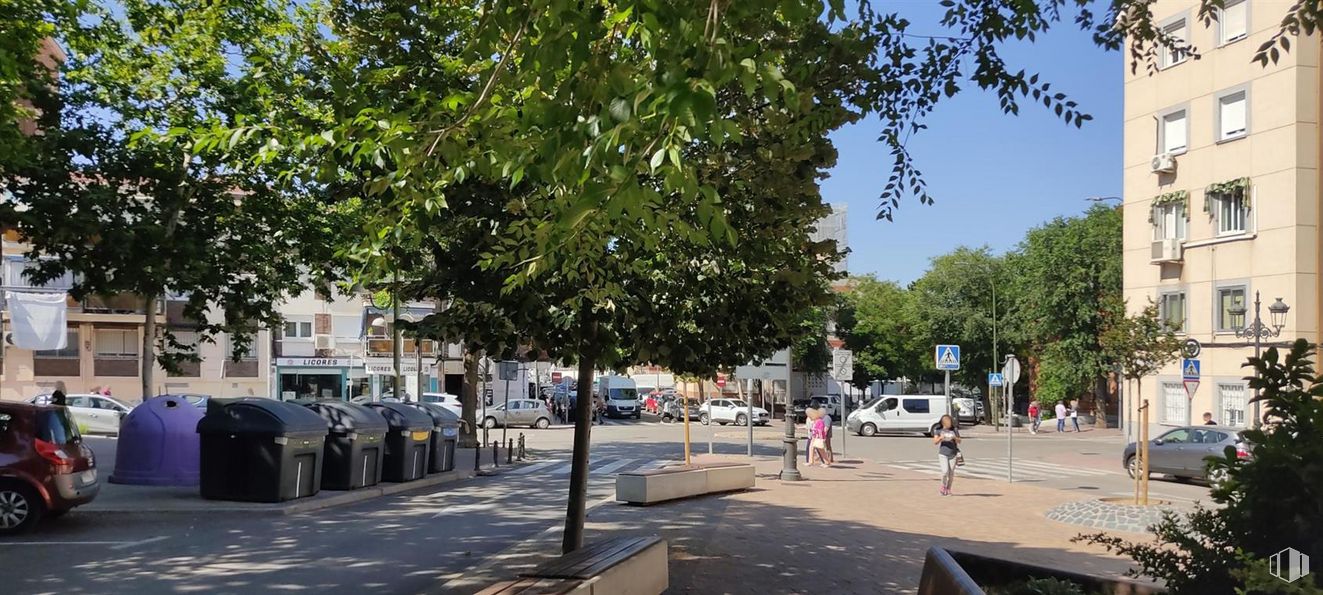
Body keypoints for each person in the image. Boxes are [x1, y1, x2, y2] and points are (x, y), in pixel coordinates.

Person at [933, 414, 961, 496]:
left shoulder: (954, 430)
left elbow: (959, 441)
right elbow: (935, 442)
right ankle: (943, 487)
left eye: (950, 422)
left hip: (953, 453)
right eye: (947, 422)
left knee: (951, 473)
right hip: (943, 453)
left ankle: (948, 488)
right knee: (945, 471)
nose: (949, 424)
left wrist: (954, 438)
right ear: (943, 423)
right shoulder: (938, 430)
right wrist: (941, 438)